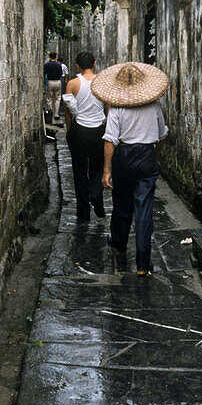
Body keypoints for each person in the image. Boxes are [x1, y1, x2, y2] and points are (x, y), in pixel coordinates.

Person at [92, 62, 169, 276]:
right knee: (144, 209)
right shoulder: (154, 106)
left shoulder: (117, 107)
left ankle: (119, 244)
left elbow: (110, 140)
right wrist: (155, 156)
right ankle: (143, 264)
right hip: (146, 155)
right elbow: (162, 135)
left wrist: (106, 170)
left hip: (124, 157)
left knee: (122, 203)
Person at [61, 51, 106, 222]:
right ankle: (96, 194)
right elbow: (108, 108)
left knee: (79, 170)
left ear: (77, 66)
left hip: (79, 130)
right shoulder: (102, 83)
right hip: (99, 130)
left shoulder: (72, 84)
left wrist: (69, 131)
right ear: (94, 63)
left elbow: (67, 111)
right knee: (97, 167)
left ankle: (83, 212)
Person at [43, 51, 65, 121]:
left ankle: (50, 111)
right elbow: (61, 74)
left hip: (50, 81)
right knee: (57, 98)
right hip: (58, 81)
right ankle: (56, 114)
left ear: (49, 57)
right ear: (56, 57)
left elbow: (44, 73)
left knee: (49, 97)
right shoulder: (59, 65)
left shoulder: (46, 65)